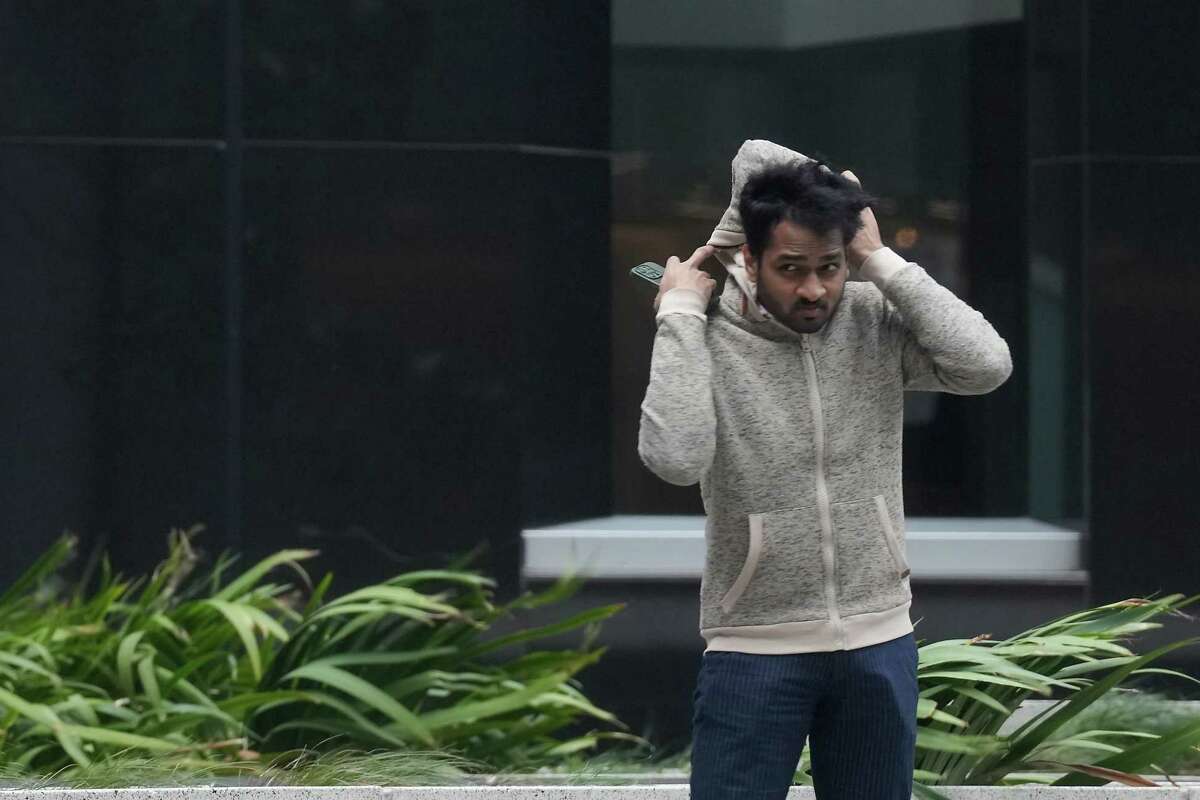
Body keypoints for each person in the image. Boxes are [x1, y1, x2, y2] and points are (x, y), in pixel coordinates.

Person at [637, 139, 1012, 799]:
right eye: (791, 267)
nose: (814, 288)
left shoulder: (872, 319)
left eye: (830, 266)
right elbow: (675, 457)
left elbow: (985, 364)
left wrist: (880, 260)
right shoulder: (707, 335)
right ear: (746, 258)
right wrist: (677, 315)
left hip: (879, 642)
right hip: (753, 648)